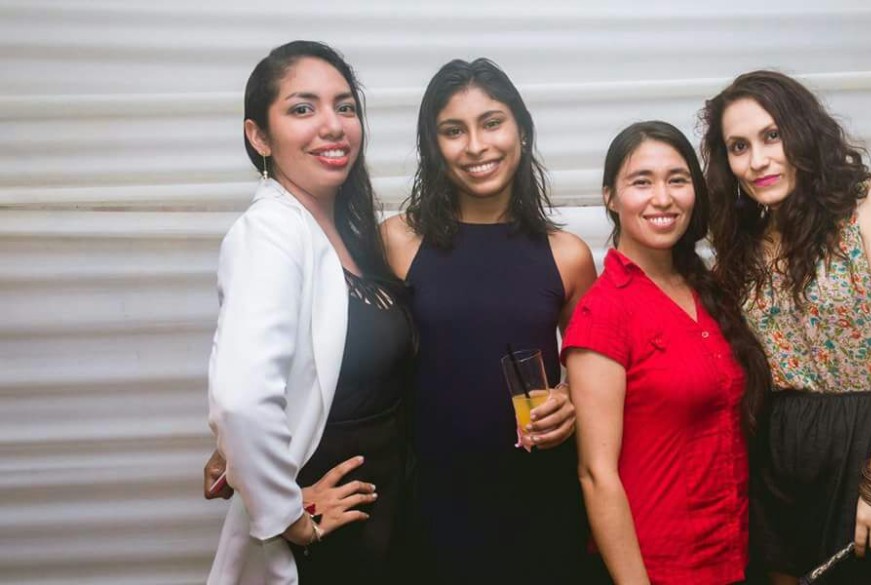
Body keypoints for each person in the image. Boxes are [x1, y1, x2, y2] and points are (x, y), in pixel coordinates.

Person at [700, 70, 871, 585]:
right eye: (739, 147)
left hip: (866, 438)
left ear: (802, 132)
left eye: (772, 135)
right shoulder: (742, 245)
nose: (757, 160)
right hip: (776, 448)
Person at [205, 40, 417, 583]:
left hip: (389, 515)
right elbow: (241, 400)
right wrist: (288, 517)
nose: (333, 125)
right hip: (339, 543)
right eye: (303, 109)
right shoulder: (270, 232)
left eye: (345, 107)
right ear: (259, 136)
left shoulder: (342, 229)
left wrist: (235, 456)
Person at [380, 58, 598, 583]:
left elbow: (593, 380)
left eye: (492, 123)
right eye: (454, 130)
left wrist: (567, 397)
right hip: (433, 508)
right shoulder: (397, 242)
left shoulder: (568, 254)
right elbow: (352, 359)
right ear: (434, 146)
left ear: (521, 130)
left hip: (540, 504)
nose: (476, 146)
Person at [563, 121, 772, 585]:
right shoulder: (604, 312)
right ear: (610, 198)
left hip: (734, 554)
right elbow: (596, 475)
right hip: (662, 568)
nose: (663, 198)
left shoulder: (708, 290)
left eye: (677, 180)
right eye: (642, 182)